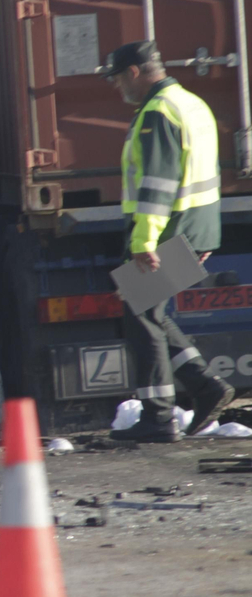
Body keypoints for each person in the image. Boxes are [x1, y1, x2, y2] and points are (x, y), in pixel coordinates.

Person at [100, 40, 234, 442]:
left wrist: (144, 241)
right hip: (197, 226)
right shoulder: (191, 103)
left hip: (168, 229)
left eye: (119, 78)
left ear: (135, 72)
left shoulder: (156, 113)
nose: (118, 88)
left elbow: (156, 186)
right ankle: (206, 386)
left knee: (140, 314)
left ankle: (159, 417)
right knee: (147, 309)